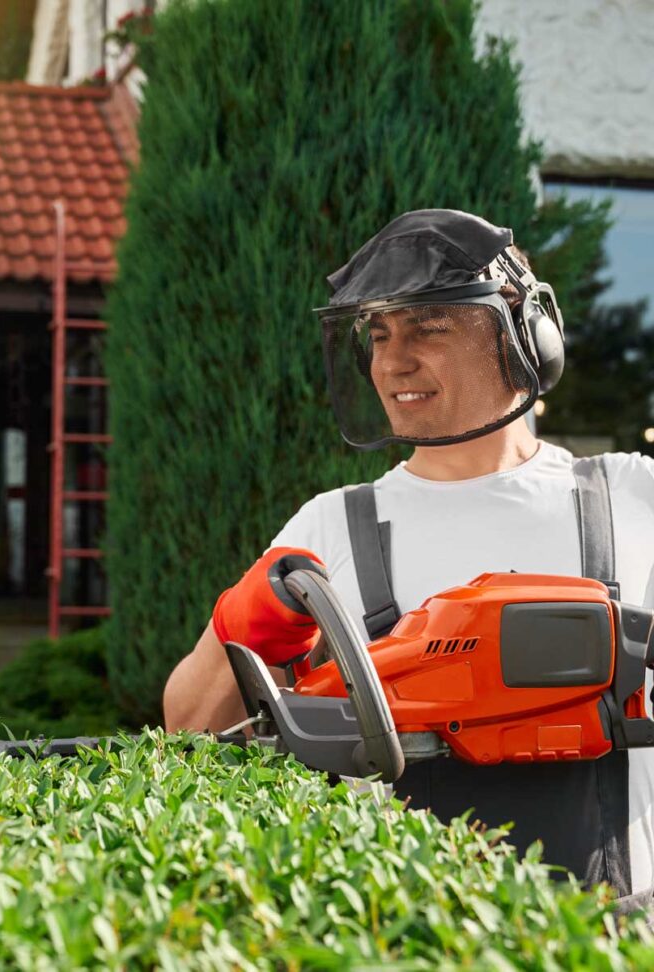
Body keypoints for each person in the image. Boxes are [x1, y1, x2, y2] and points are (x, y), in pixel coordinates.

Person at [162, 209, 654, 907]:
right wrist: (247, 628)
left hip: (612, 931)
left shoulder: (630, 495)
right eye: (380, 334)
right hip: (405, 931)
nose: (394, 362)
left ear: (525, 335)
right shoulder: (331, 525)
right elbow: (188, 730)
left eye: (430, 328)